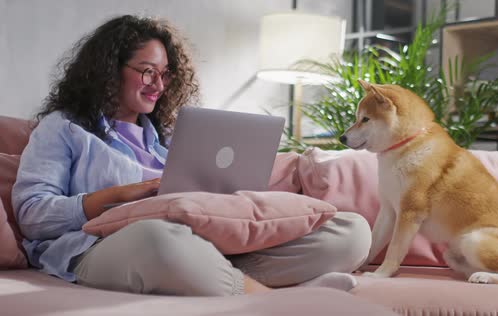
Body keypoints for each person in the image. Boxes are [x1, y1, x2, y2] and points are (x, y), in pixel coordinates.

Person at [12, 15, 371, 296]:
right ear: (108, 70)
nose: (159, 84)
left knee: (350, 230)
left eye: (165, 74)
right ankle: (276, 301)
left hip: (201, 242)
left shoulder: (172, 137)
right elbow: (32, 215)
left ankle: (219, 280)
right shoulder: (64, 127)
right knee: (157, 239)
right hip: (101, 247)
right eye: (147, 71)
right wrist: (116, 197)